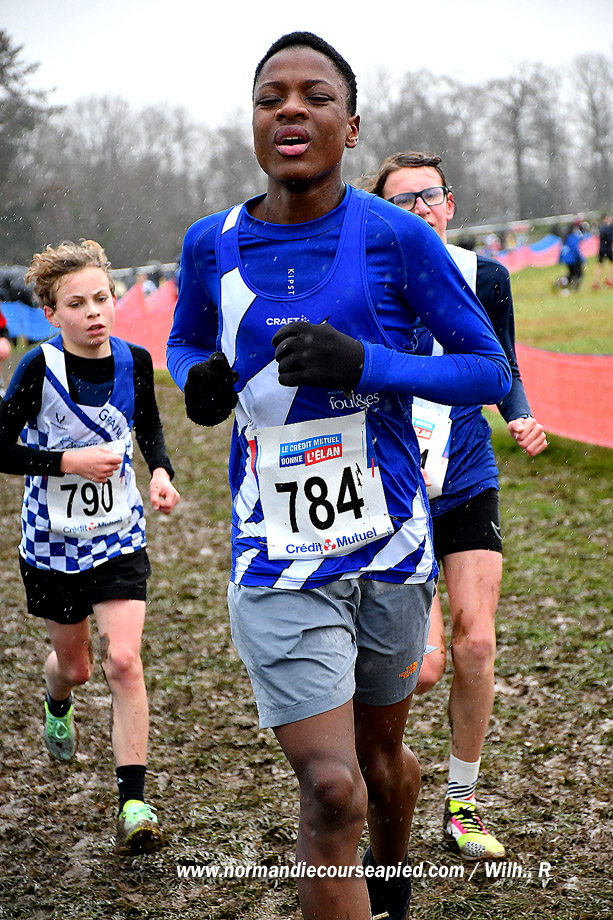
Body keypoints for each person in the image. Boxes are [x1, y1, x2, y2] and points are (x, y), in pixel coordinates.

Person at [167, 33, 511, 920]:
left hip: (390, 545)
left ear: (349, 127)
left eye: (315, 96)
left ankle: (391, 894)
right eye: (270, 97)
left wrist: (368, 364)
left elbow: (488, 370)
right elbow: (186, 340)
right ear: (253, 123)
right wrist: (196, 378)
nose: (290, 108)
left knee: (381, 762)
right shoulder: (209, 244)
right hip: (275, 555)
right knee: (331, 788)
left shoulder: (397, 238)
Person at [367, 151, 548, 861]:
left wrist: (519, 414)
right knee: (425, 667)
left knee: (476, 643)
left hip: (467, 473)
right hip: (395, 487)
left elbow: (503, 365)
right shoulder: (370, 280)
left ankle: (461, 805)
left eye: (430, 196)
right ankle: (377, 771)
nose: (420, 209)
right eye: (402, 201)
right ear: (381, 215)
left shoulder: (486, 277)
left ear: (449, 203)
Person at [0, 239, 180, 855]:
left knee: (123, 661)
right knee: (75, 668)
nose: (95, 312)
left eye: (101, 298)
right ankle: (56, 696)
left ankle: (133, 802)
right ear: (52, 314)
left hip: (118, 536)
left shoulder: (134, 361)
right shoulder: (37, 370)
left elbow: (148, 424)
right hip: (52, 544)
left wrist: (161, 472)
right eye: (77, 304)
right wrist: (66, 461)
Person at [556, 220, 585, 294]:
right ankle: (574, 288)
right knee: (578, 274)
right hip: (573, 259)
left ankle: (561, 282)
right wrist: (581, 258)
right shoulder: (572, 237)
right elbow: (575, 248)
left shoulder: (566, 237)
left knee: (571, 274)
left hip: (568, 259)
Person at [592, 214, 613, 289]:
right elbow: (610, 238)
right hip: (608, 248)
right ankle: (609, 279)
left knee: (600, 264)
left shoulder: (600, 227)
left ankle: (596, 281)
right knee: (611, 263)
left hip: (601, 248)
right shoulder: (609, 227)